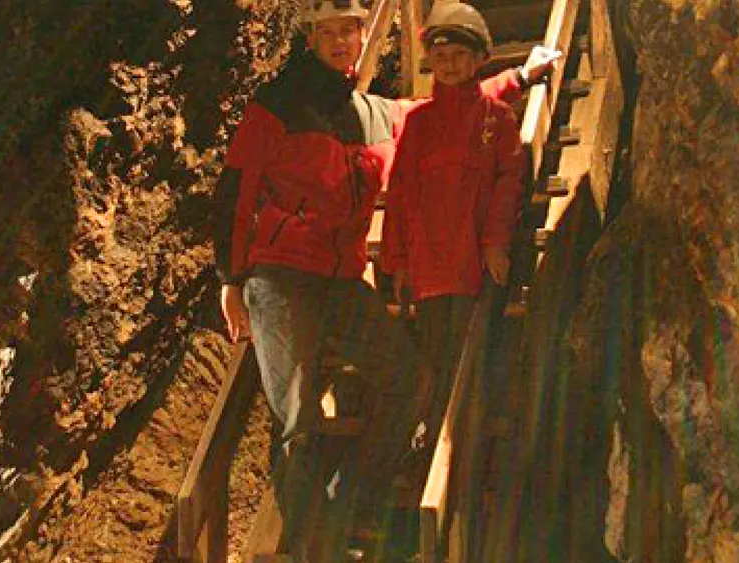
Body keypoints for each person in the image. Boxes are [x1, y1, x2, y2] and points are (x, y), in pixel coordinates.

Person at [212, 1, 558, 559]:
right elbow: (236, 188)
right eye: (328, 32)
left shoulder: (373, 112)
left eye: (349, 29)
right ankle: (309, 547)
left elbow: (446, 110)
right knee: (298, 420)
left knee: (409, 381)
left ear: (359, 34)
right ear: (311, 39)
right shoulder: (276, 104)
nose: (342, 41)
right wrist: (232, 278)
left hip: (343, 279)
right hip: (281, 280)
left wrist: (518, 77)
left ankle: (353, 504)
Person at [380, 2, 530, 463]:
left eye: (460, 56)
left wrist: (495, 244)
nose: (450, 65)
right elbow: (401, 194)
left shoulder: (497, 119)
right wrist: (398, 262)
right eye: (441, 57)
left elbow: (509, 186)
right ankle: (434, 442)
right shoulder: (419, 123)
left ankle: (463, 447)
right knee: (434, 352)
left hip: (472, 259)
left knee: (472, 353)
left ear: (479, 58)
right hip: (427, 264)